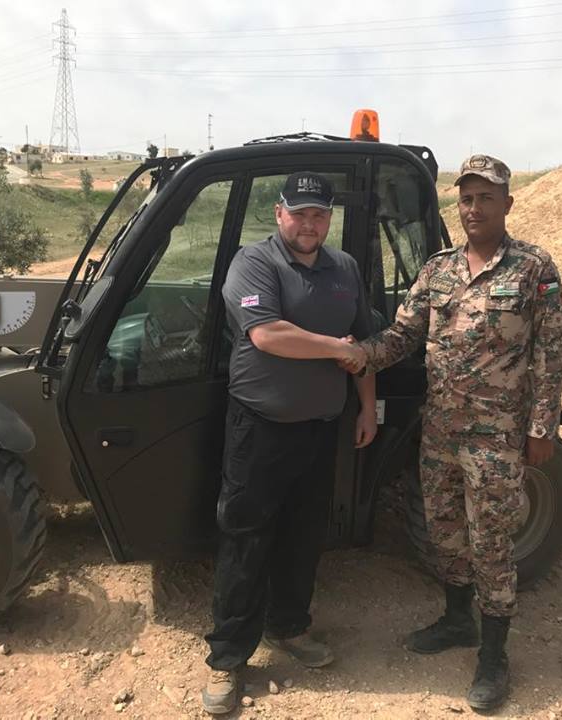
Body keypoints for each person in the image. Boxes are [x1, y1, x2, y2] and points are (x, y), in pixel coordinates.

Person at [355, 154, 562, 711]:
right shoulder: (438, 270)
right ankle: (456, 620)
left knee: (491, 544)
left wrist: (541, 427)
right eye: (466, 198)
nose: (474, 207)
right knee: (446, 533)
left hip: (497, 439)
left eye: (486, 197)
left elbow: (549, 354)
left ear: (506, 204)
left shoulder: (532, 269)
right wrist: (354, 355)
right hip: (442, 430)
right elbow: (402, 337)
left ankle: (494, 656)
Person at [201, 171, 373, 715]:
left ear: (329, 218)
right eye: (299, 213)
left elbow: (363, 345)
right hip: (261, 430)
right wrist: (334, 348)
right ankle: (228, 659)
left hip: (321, 429)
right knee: (246, 540)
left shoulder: (344, 268)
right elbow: (267, 334)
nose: (309, 223)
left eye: (318, 214)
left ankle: (290, 629)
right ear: (279, 214)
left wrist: (367, 405)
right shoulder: (255, 262)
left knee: (303, 536)